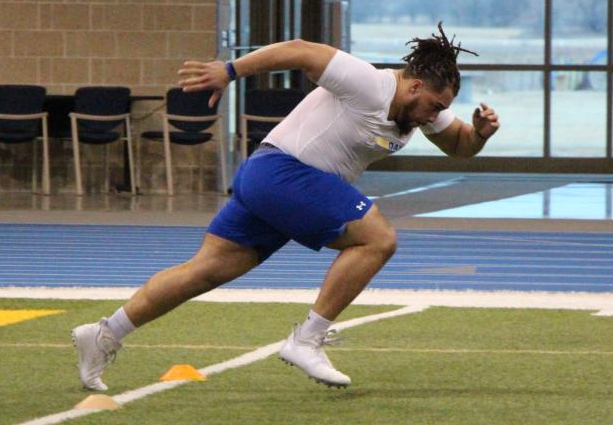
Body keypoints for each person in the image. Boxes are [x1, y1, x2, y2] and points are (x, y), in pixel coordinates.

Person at [71, 23, 500, 390]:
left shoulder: (419, 111)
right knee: (378, 239)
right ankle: (307, 339)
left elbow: (459, 147)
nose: (435, 116)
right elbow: (300, 51)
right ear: (415, 86)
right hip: (282, 173)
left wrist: (480, 134)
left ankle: (105, 332)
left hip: (276, 184)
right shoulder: (368, 82)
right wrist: (228, 70)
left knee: (204, 271)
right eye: (434, 107)